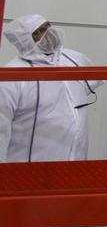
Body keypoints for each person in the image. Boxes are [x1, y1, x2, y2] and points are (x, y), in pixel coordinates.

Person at [1, 15, 101, 162]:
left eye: (48, 26)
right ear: (25, 39)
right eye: (39, 31)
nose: (49, 32)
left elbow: (84, 89)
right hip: (31, 169)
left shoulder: (74, 59)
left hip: (78, 160)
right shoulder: (12, 75)